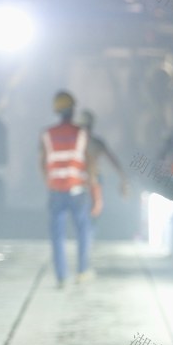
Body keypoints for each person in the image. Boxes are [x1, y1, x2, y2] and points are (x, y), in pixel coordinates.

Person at [40, 91, 96, 288]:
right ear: (72, 111)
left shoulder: (47, 135)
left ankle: (61, 277)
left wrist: (51, 183)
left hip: (55, 192)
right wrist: (93, 188)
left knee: (57, 235)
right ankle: (82, 271)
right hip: (77, 191)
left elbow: (43, 163)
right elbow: (89, 163)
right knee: (83, 231)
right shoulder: (81, 134)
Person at [75, 109, 130, 218]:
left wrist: (123, 179)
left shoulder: (76, 143)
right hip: (90, 181)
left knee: (85, 214)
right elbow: (113, 161)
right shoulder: (96, 143)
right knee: (90, 214)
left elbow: (113, 161)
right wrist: (123, 179)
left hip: (83, 182)